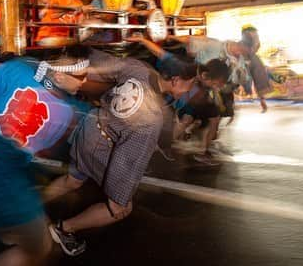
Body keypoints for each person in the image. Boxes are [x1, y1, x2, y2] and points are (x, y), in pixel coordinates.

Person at [0, 46, 92, 266]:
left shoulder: (16, 70)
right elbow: (51, 148)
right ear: (59, 75)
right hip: (3, 181)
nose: (85, 80)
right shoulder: (67, 111)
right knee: (38, 248)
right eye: (80, 75)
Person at [44, 49, 195, 256]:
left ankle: (31, 205)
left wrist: (69, 71)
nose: (189, 90)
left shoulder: (140, 69)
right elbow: (127, 160)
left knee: (73, 180)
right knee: (120, 209)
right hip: (100, 145)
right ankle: (62, 228)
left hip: (91, 124)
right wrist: (119, 197)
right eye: (190, 84)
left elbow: (100, 62)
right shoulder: (151, 118)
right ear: (176, 80)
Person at [127, 34, 231, 163]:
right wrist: (142, 40)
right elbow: (161, 53)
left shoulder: (203, 84)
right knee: (159, 122)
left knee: (191, 119)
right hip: (157, 96)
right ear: (205, 75)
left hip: (177, 104)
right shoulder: (185, 68)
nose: (216, 88)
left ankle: (163, 147)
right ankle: (143, 152)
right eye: (215, 84)